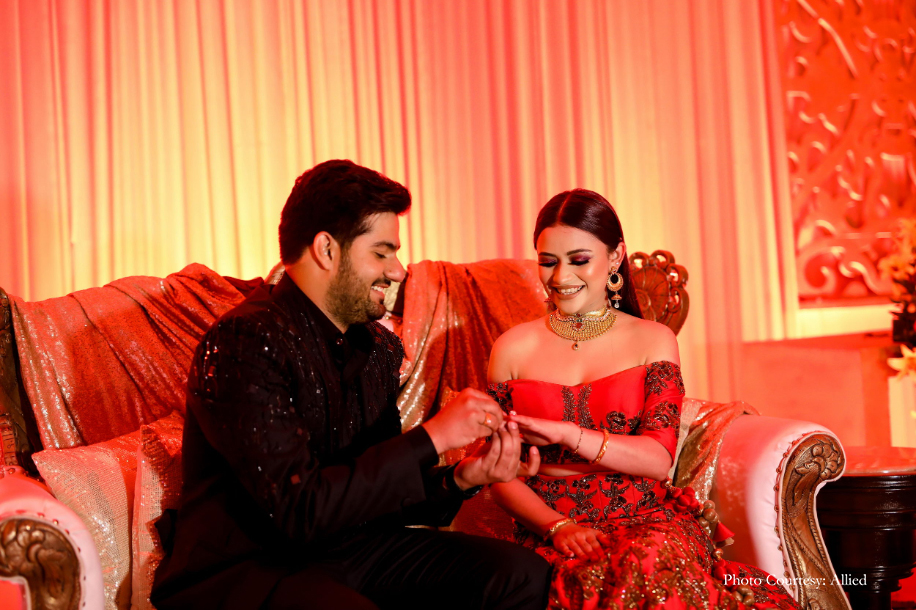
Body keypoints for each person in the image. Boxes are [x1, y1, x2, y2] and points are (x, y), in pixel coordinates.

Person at [151, 160, 551, 610]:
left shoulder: (377, 347)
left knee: (522, 576)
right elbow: (300, 511)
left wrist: (461, 478)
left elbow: (376, 489)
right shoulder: (244, 341)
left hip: (352, 549)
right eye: (382, 253)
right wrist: (434, 436)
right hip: (252, 567)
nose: (398, 271)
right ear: (326, 249)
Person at [486, 189, 802, 609]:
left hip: (643, 519)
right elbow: (497, 473)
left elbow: (657, 459)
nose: (561, 277)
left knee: (646, 561)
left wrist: (566, 433)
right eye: (548, 262)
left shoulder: (653, 340)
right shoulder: (511, 349)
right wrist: (557, 527)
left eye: (579, 260)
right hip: (550, 525)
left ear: (615, 257)